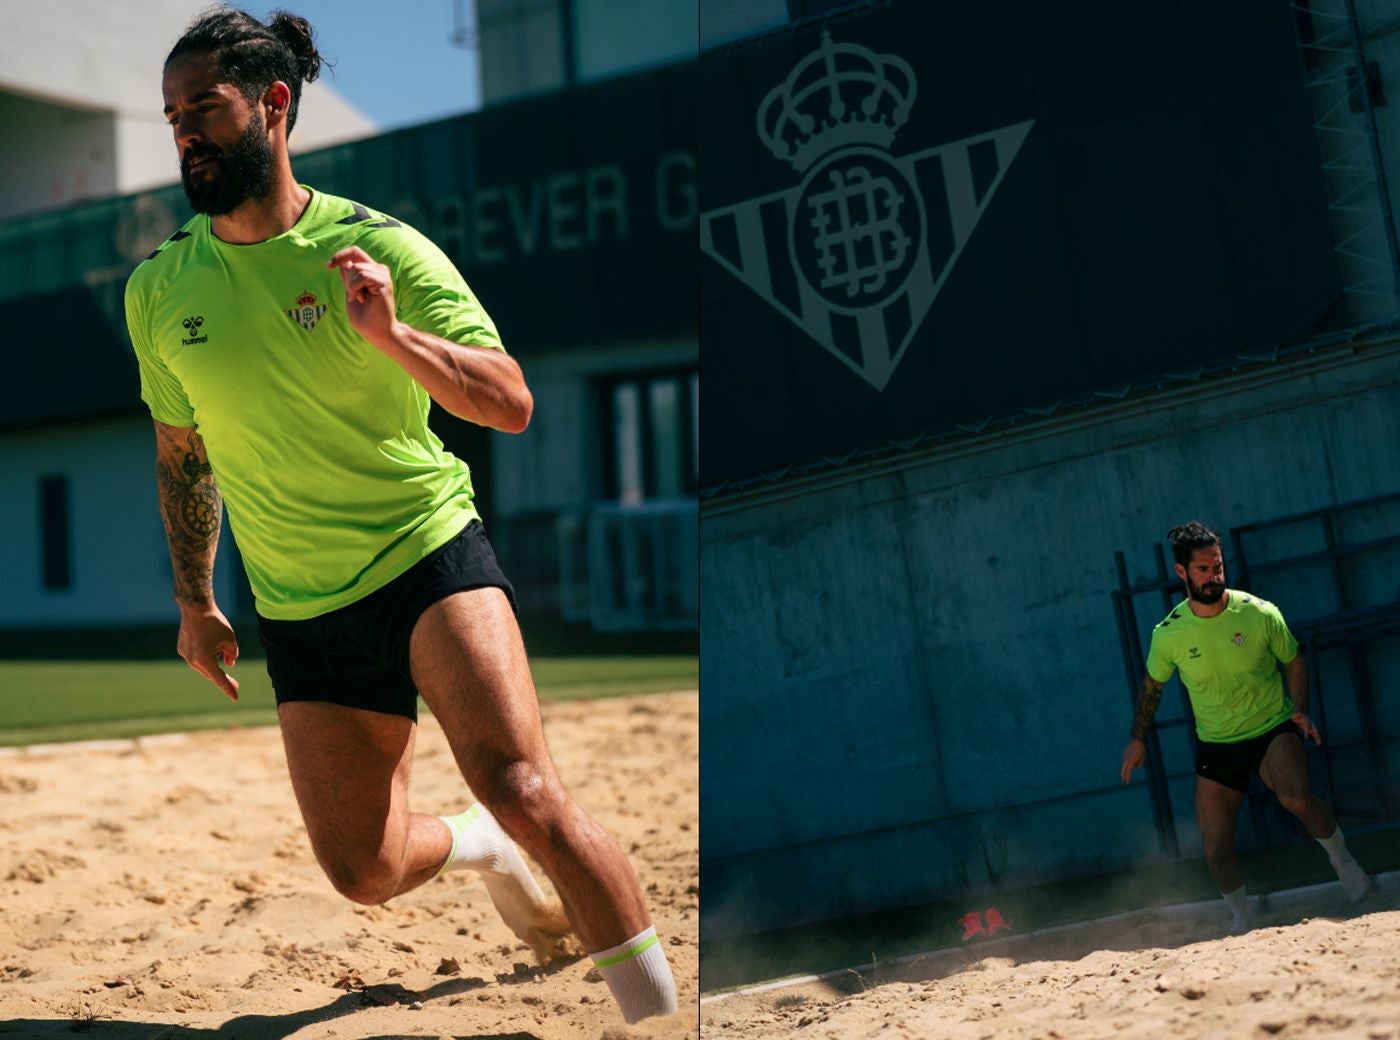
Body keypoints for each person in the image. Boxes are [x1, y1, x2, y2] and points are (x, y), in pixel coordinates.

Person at [124, 7, 677, 1023]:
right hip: (294, 601)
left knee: (525, 784)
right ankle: (477, 843)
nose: (186, 133)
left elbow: (508, 401)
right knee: (364, 869)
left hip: (425, 556)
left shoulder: (380, 247)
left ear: (273, 104)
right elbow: (182, 455)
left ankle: (659, 1014)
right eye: (172, 116)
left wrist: (391, 334)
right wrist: (194, 598)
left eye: (204, 106)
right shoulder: (160, 291)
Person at [1120, 521, 1370, 932]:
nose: (1214, 576)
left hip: (1272, 727)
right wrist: (1136, 738)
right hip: (1218, 743)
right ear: (1182, 573)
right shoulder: (1169, 634)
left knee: (1295, 797)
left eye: (1218, 566)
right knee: (1215, 845)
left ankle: (1348, 868)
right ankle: (1242, 915)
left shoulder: (1258, 612)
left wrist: (1301, 709)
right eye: (1203, 569)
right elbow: (1152, 687)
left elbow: (1294, 659)